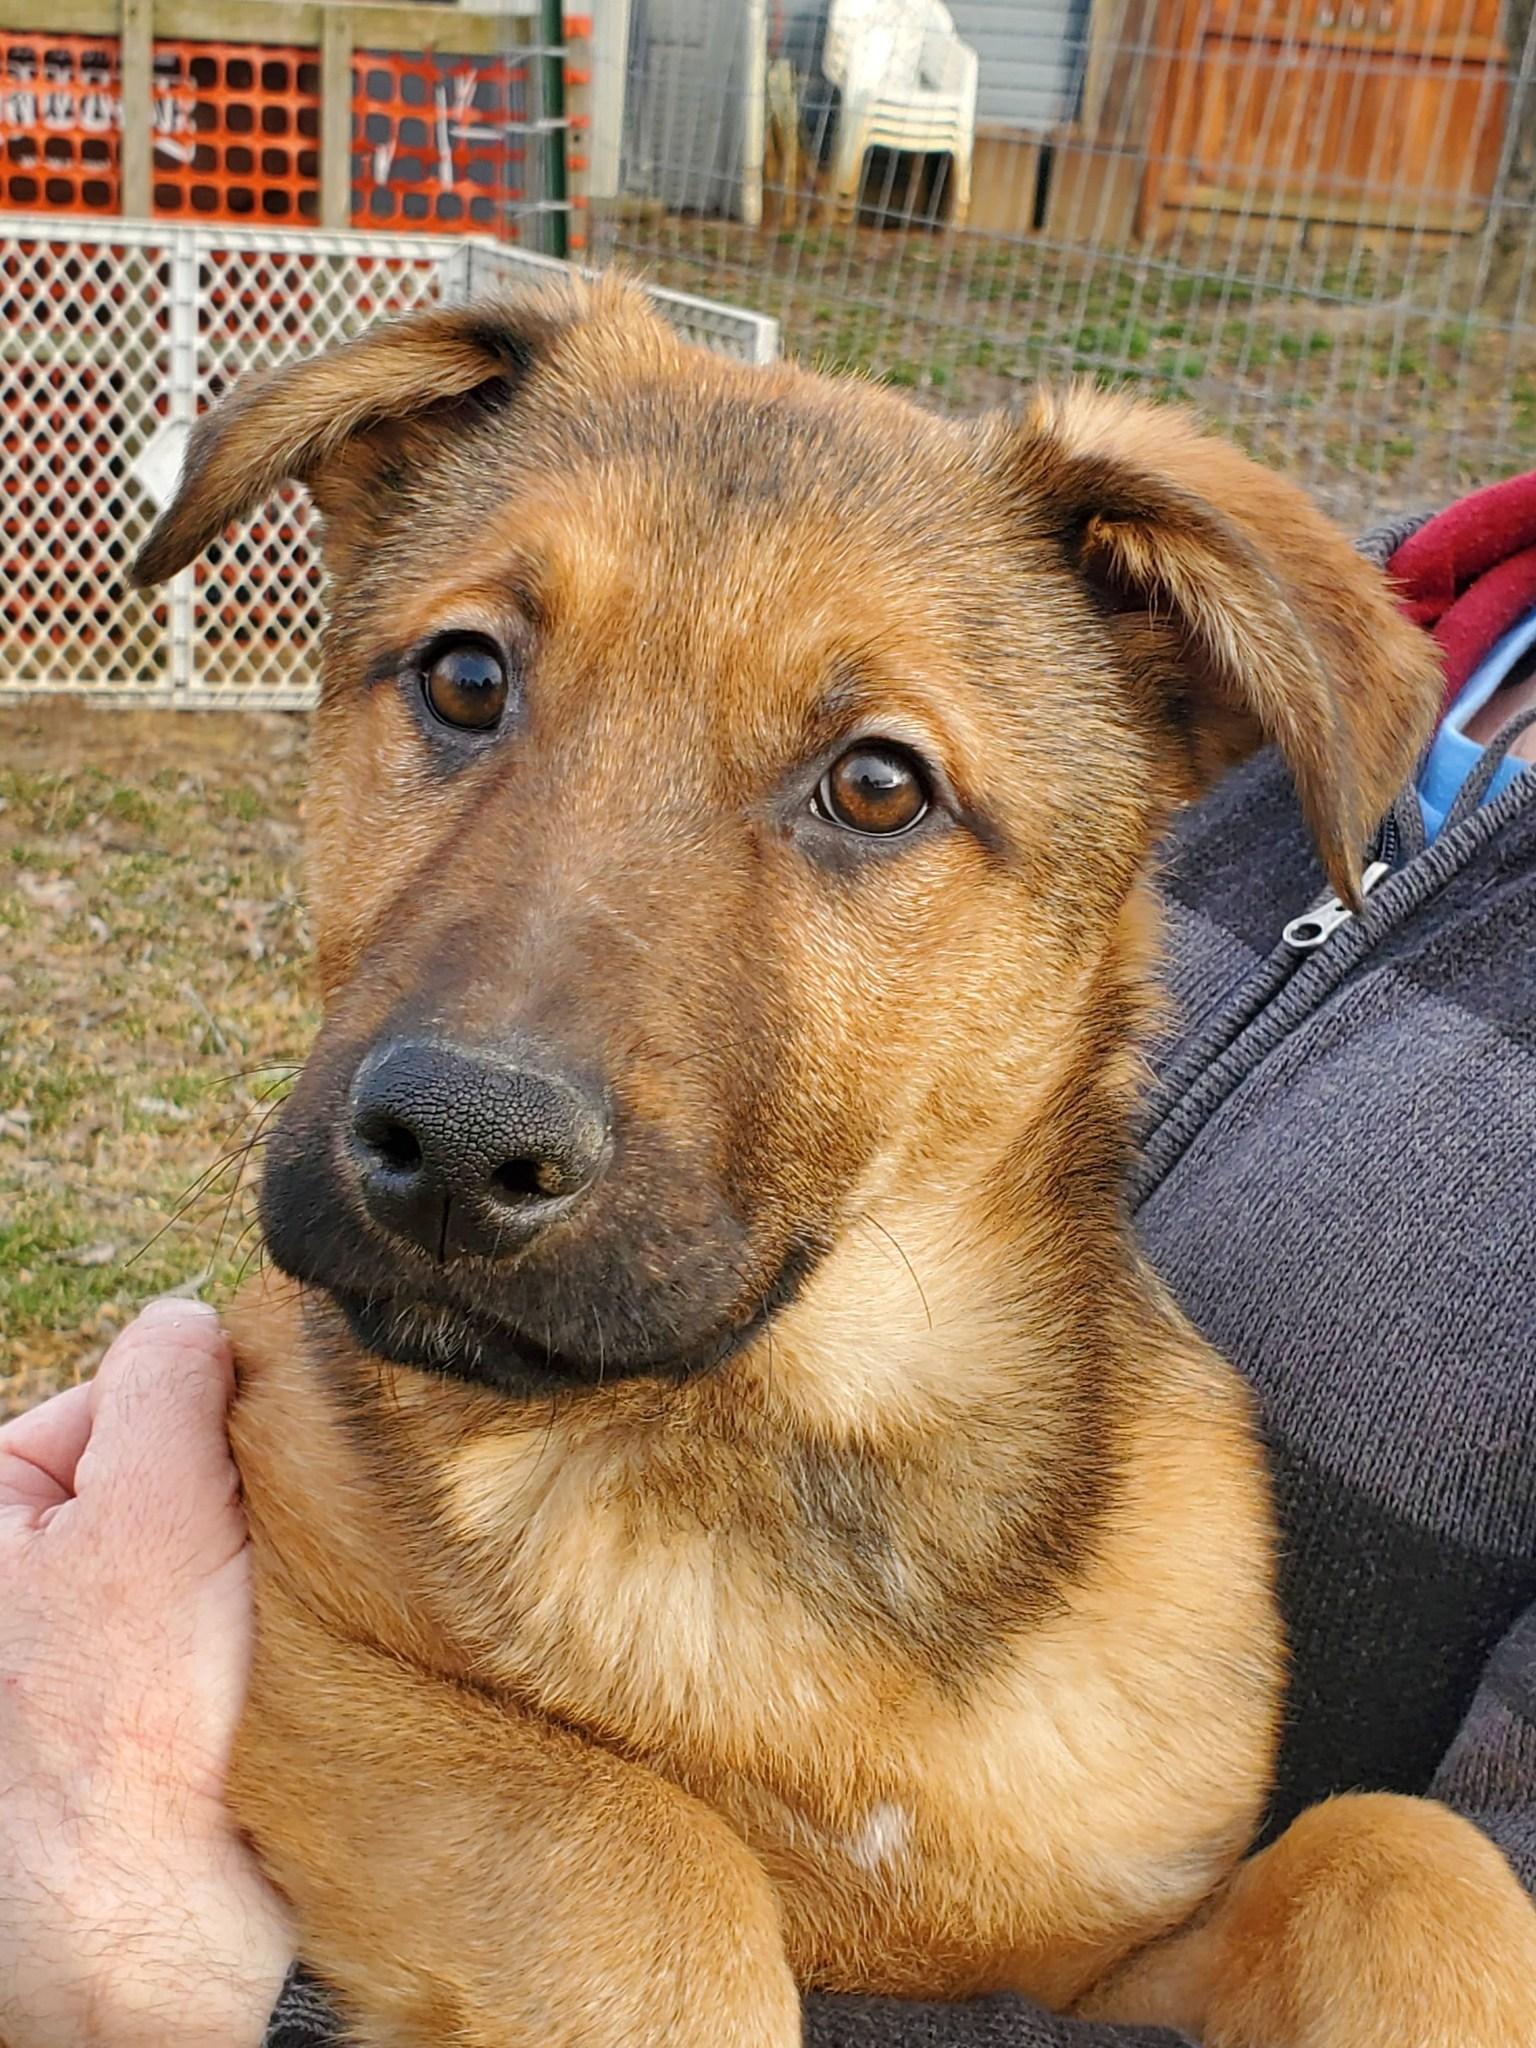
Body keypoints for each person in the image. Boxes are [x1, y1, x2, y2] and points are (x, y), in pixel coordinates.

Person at [3, 483, 1534, 2048]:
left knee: (1401, 1893)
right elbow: (168, 1663)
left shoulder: (1166, 1622)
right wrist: (600, 1905)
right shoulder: (345, 1439)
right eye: (471, 688)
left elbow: (1128, 1985)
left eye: (874, 789)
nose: (493, 1063)